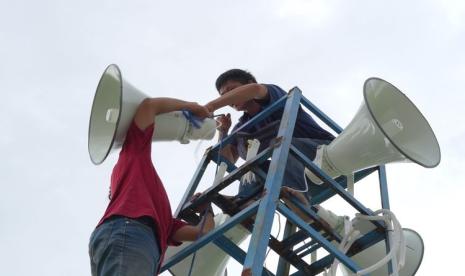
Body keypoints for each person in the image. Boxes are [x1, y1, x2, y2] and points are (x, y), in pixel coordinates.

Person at [204, 69, 344, 232]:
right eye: (223, 95)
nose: (228, 98)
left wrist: (211, 105)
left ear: (248, 84)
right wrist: (223, 132)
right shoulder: (241, 128)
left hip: (320, 151)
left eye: (232, 90)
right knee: (252, 167)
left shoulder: (272, 94)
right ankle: (244, 202)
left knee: (282, 146)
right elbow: (226, 162)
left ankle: (300, 201)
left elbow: (256, 90)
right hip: (287, 165)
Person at [89, 98, 215, 276]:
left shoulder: (162, 221)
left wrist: (206, 210)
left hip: (134, 238)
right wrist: (192, 106)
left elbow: (201, 233)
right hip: (130, 233)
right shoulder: (133, 157)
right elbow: (148, 106)